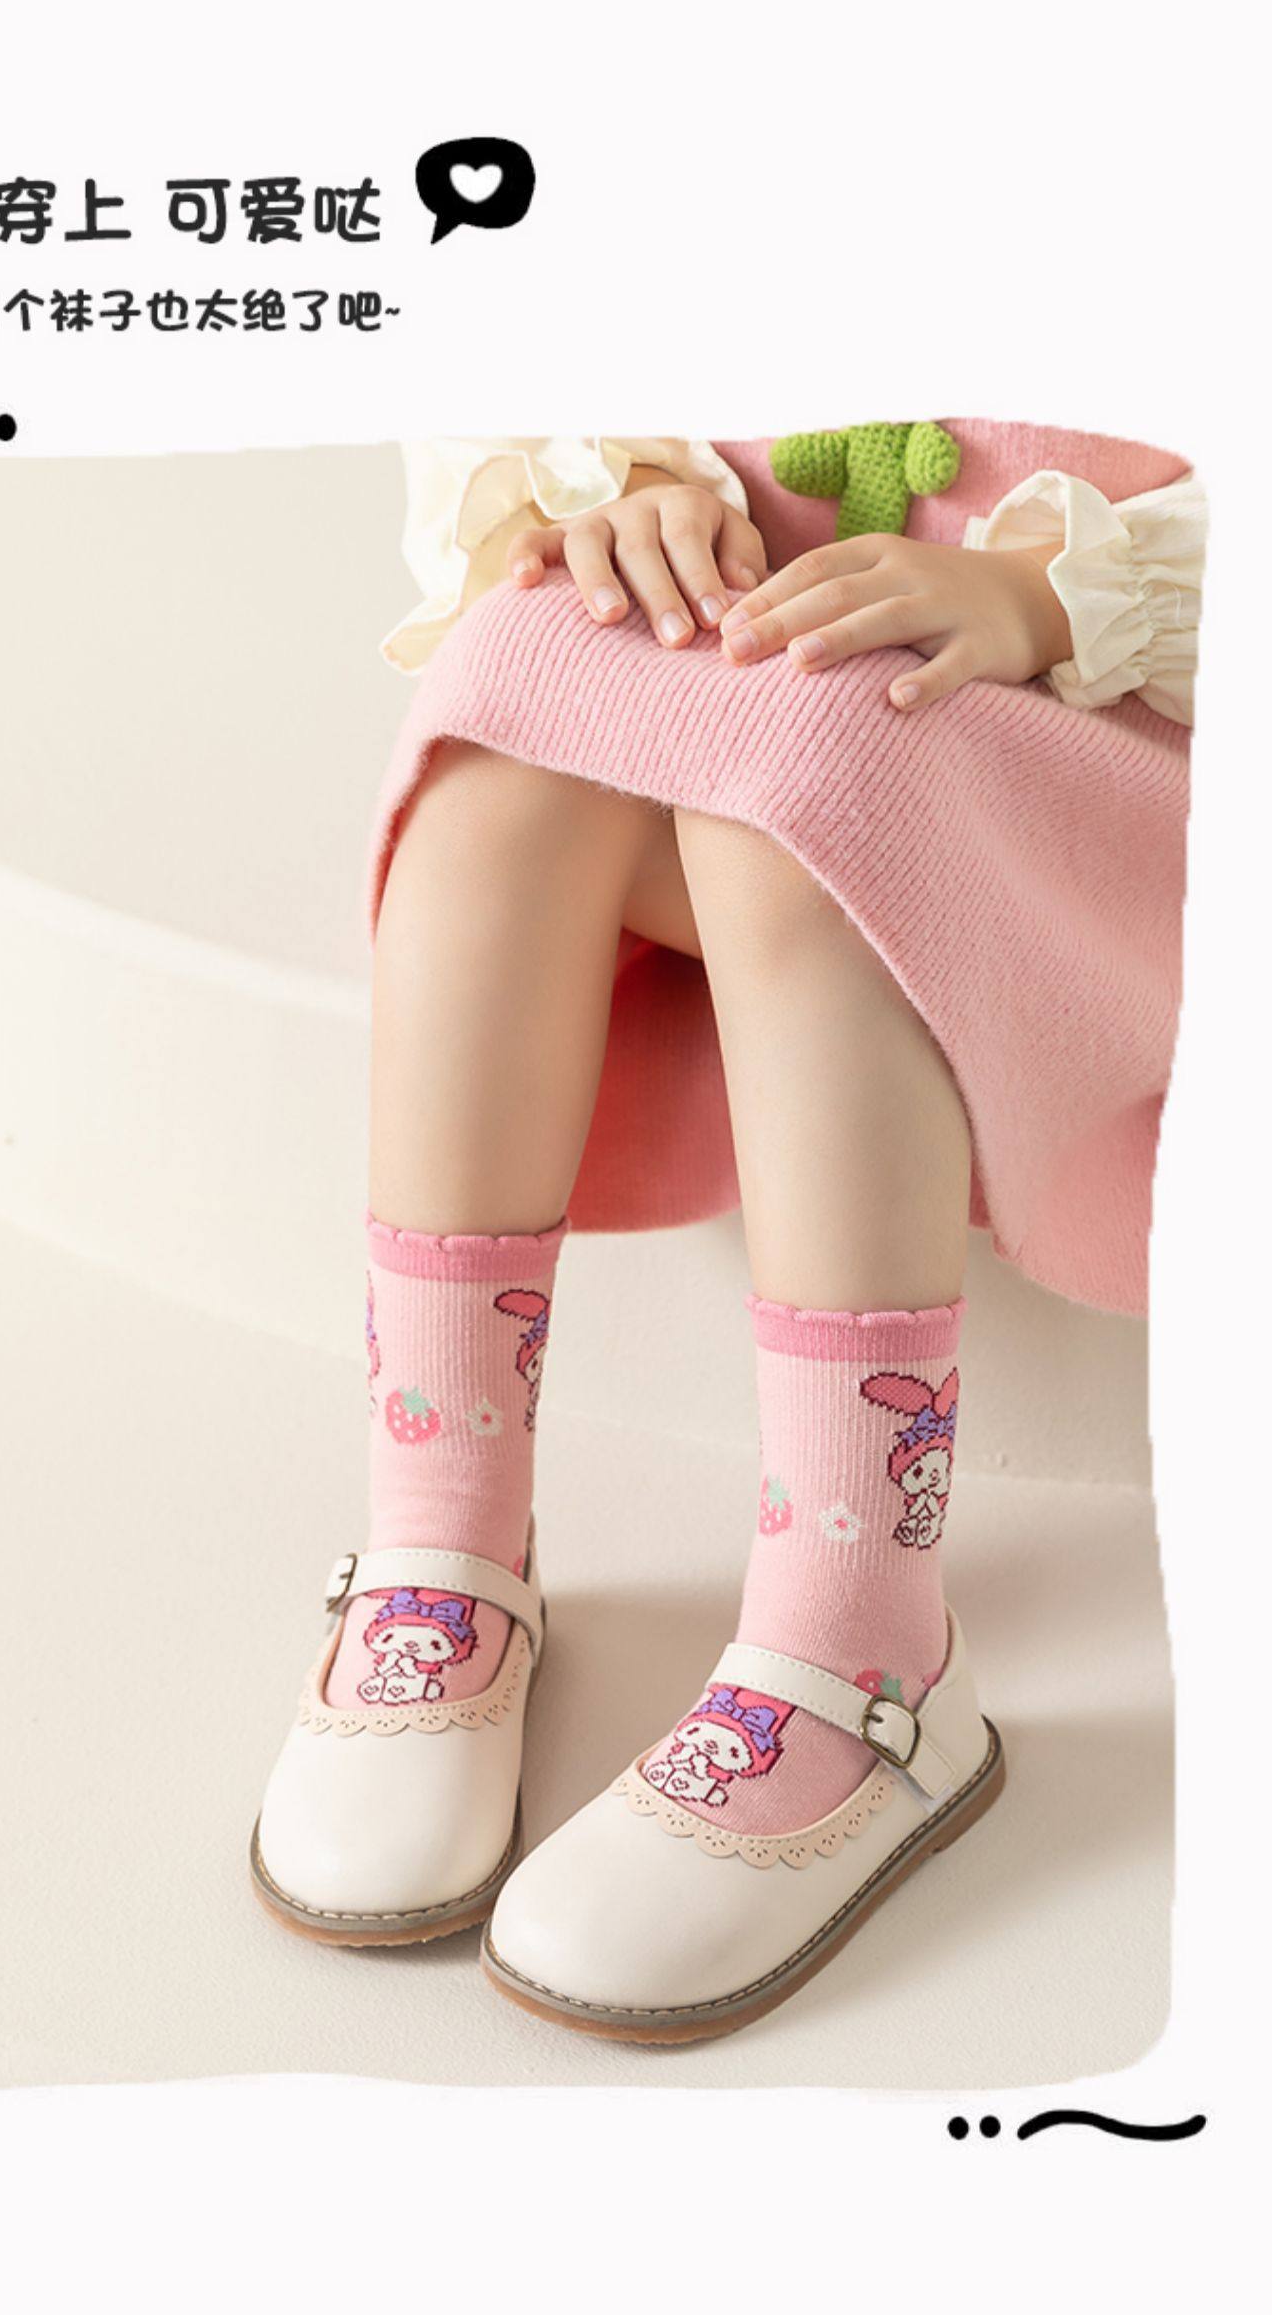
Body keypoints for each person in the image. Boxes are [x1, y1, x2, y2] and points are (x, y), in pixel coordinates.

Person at [251, 422, 1204, 2040]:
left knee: (821, 791)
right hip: (768, 679)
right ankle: (444, 1535)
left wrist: (1054, 594)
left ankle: (867, 1652)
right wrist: (614, 478)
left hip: (1099, 737)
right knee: (507, 718)